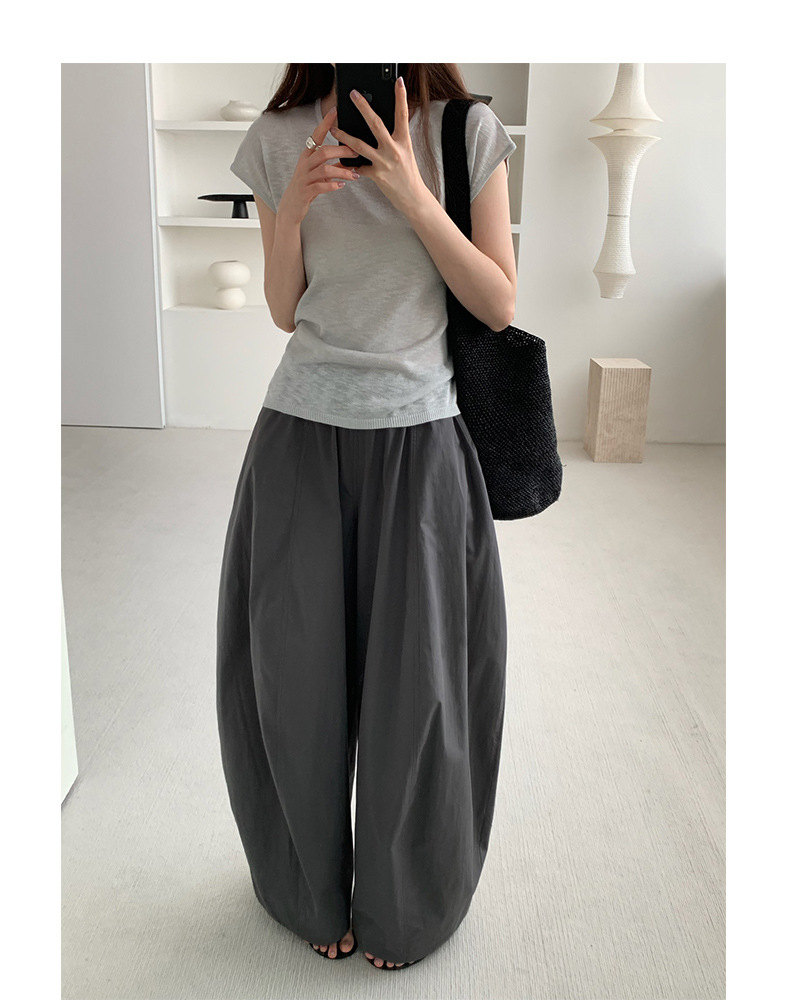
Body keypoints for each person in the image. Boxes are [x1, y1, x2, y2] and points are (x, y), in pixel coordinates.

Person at [216, 63, 513, 971]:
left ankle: (406, 905)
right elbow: (282, 311)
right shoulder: (278, 139)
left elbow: (498, 302)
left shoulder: (466, 132)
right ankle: (305, 890)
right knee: (291, 682)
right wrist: (296, 206)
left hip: (421, 441)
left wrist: (414, 194)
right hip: (298, 437)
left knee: (419, 692)